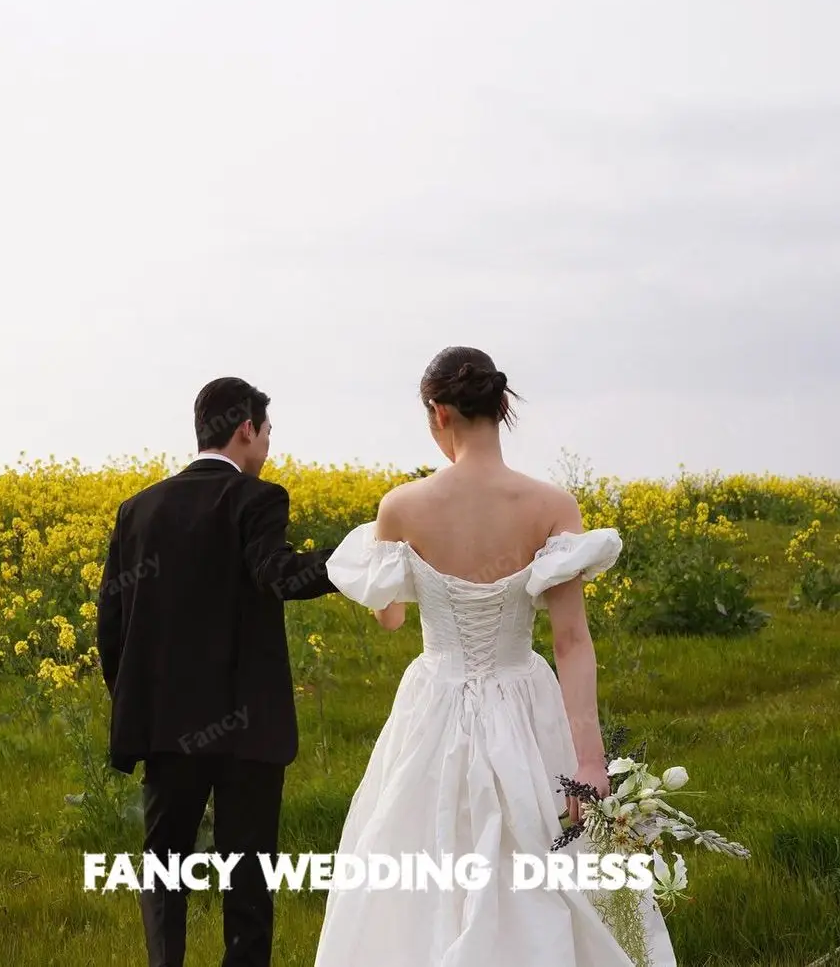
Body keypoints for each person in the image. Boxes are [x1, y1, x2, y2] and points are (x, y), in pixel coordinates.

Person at [313, 346, 677, 966]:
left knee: (421, 857)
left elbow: (390, 616)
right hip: (525, 702)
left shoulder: (402, 507)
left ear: (438, 412)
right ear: (501, 406)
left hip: (434, 704)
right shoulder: (551, 506)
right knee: (540, 864)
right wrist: (589, 762)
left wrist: (380, 562)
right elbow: (571, 642)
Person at [96, 377, 339, 967]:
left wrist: (138, 702)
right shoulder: (257, 499)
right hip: (246, 730)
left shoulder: (138, 509)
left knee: (163, 866)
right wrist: (357, 560)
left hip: (166, 727)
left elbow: (111, 624)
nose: (268, 450)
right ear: (245, 429)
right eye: (267, 434)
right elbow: (277, 575)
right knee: (249, 874)